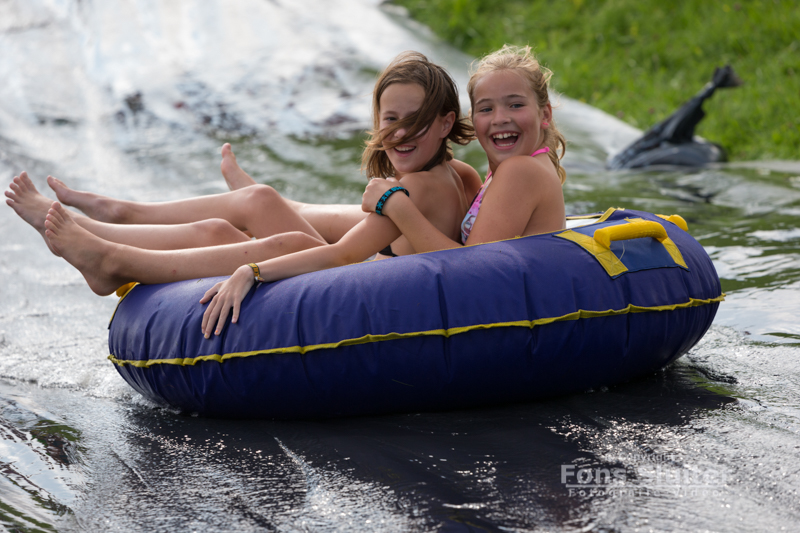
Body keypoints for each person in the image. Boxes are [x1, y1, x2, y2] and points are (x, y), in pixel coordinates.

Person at [7, 51, 476, 336]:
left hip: (358, 298)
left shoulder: (411, 189)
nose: (399, 133)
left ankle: (111, 258)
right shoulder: (458, 173)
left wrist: (250, 272)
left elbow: (341, 257)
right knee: (243, 213)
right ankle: (108, 223)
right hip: (363, 278)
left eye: (415, 121)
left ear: (444, 123)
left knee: (282, 239)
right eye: (390, 119)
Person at [361, 45, 566, 251]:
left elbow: (472, 266)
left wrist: (396, 205)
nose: (500, 119)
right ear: (473, 120)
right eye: (486, 109)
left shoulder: (519, 170)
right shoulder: (511, 168)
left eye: (516, 105)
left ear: (545, 114)